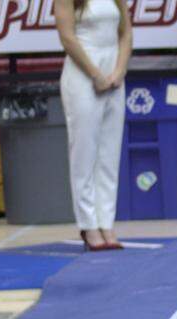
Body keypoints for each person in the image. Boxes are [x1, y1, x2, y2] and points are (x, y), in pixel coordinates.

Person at [55, 0, 131, 251]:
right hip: (83, 73)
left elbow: (126, 31)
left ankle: (106, 222)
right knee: (84, 153)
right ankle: (89, 225)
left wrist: (119, 69)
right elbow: (67, 38)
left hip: (114, 73)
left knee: (109, 153)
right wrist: (95, 74)